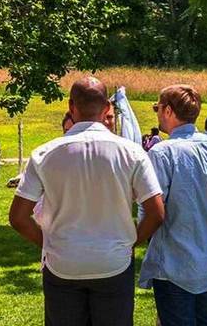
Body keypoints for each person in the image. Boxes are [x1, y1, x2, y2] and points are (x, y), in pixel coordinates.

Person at [9, 77, 166, 326]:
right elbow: (156, 213)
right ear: (106, 109)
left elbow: (18, 217)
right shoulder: (132, 152)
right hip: (114, 261)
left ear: (71, 107)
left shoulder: (44, 153)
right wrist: (130, 242)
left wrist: (47, 243)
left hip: (63, 263)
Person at [139, 84, 207, 325]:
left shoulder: (162, 153)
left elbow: (151, 211)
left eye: (157, 108)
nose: (157, 113)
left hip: (175, 264)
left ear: (167, 111)